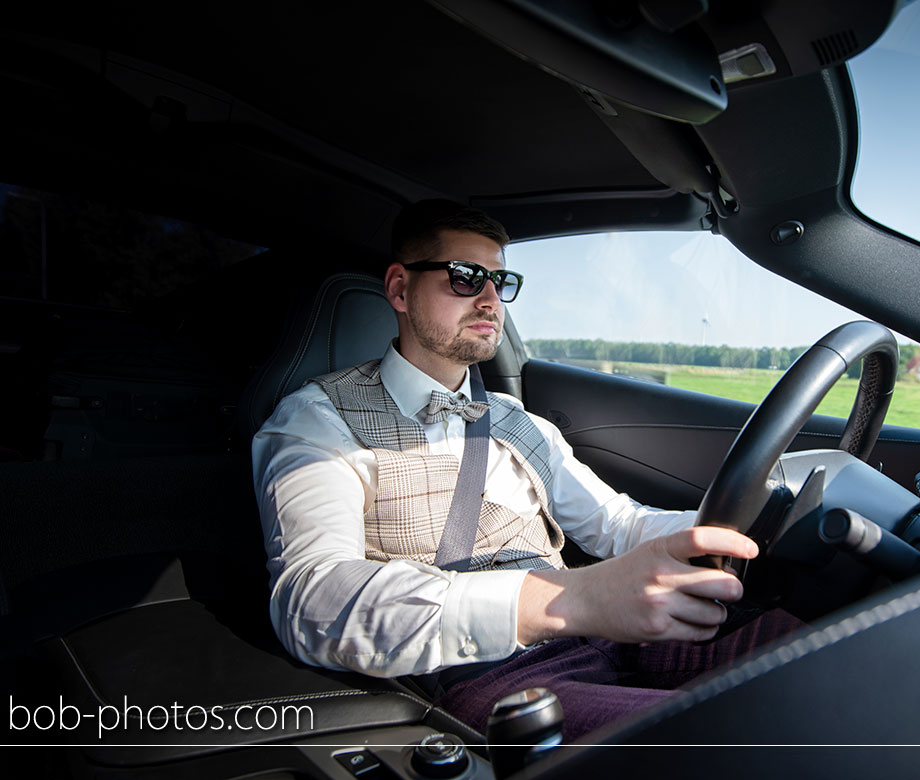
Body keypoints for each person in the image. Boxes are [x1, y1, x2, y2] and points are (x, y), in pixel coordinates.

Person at [252, 200, 804, 741]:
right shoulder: (317, 423)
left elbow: (616, 523)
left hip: (611, 633)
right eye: (467, 277)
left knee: (829, 653)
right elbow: (313, 599)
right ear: (400, 289)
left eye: (501, 281)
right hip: (494, 672)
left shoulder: (518, 421)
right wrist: (571, 600)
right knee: (738, 738)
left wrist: (743, 529)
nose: (491, 300)